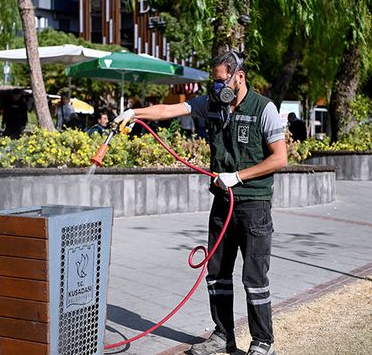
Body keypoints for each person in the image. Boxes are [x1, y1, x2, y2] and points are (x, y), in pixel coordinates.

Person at [115, 51, 287, 355]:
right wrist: (135, 113)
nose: (217, 88)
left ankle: (262, 342)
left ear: (239, 76)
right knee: (217, 273)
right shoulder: (211, 104)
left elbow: (279, 158)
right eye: (215, 81)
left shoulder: (264, 109)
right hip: (222, 204)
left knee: (254, 278)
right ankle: (223, 337)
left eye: (222, 81)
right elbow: (169, 109)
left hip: (253, 205)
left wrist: (238, 176)